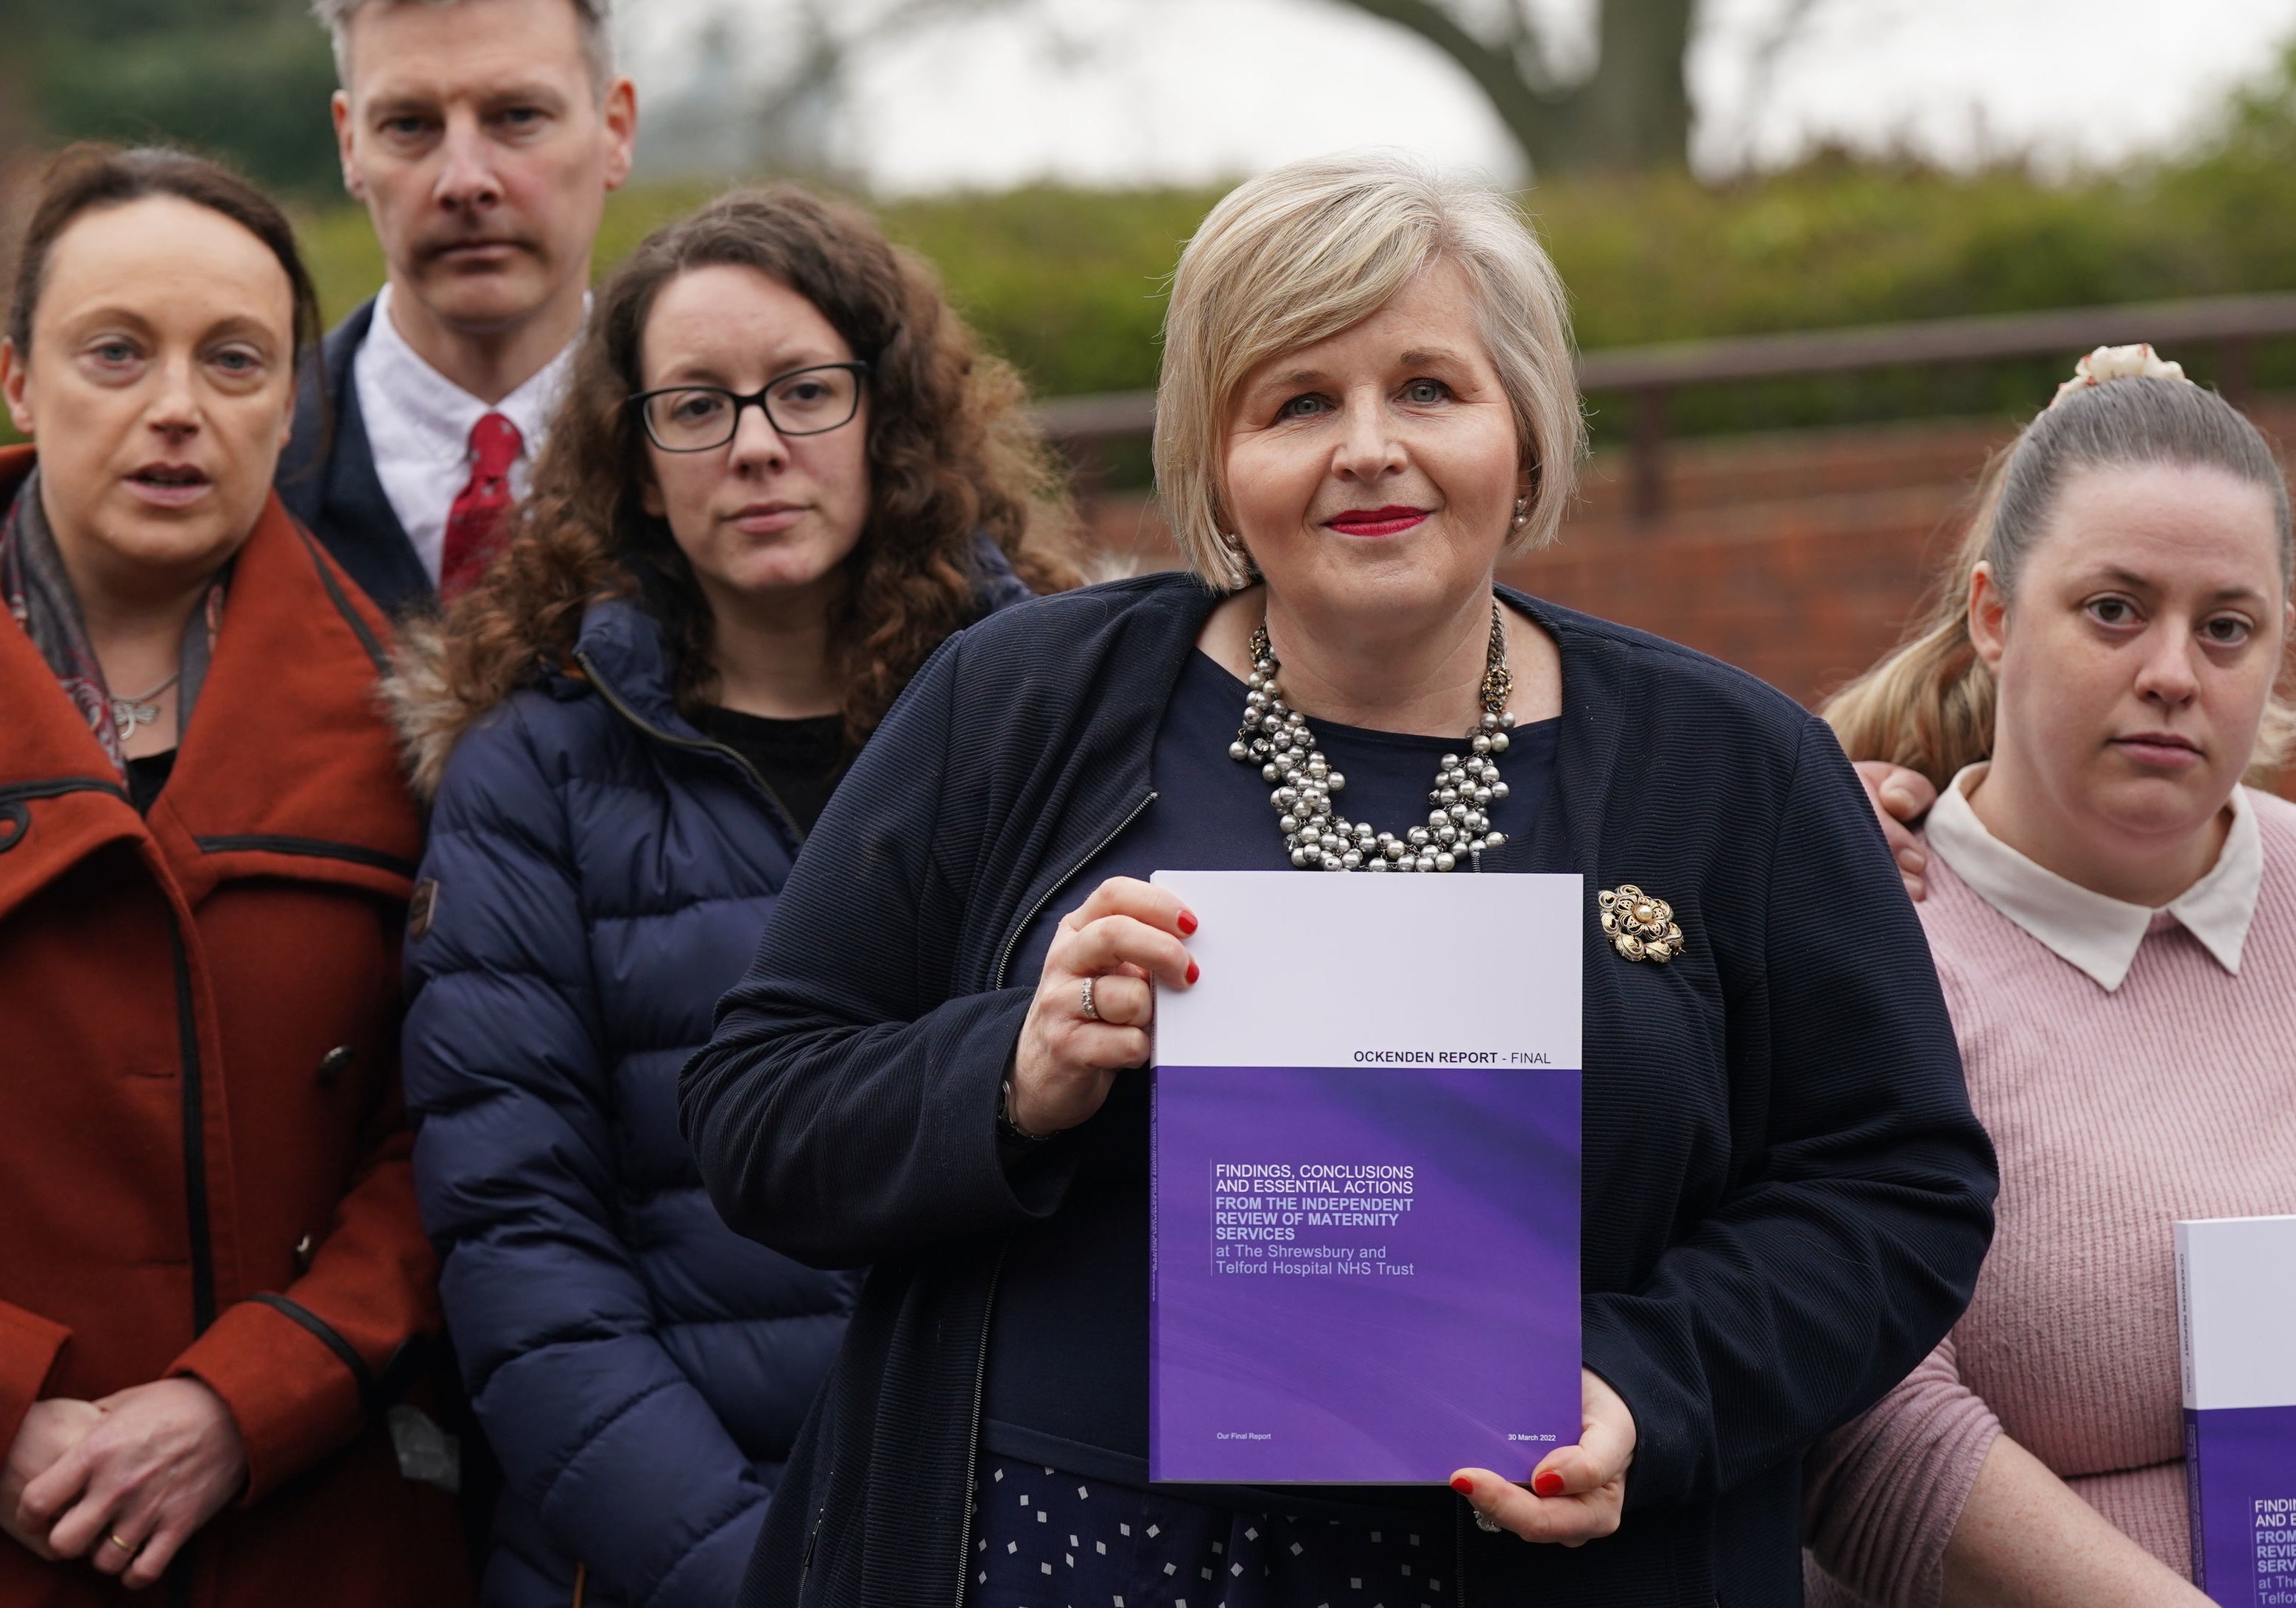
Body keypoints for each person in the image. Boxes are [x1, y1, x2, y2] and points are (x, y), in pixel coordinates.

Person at [678, 152, 1999, 1608]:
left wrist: (1641, 1382)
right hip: (1061, 1553)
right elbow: (756, 1107)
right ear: (1216, 460)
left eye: (1428, 388)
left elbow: (1894, 1185)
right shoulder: (1021, 703)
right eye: (1298, 401)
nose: (1368, 446)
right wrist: (1014, 1067)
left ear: (1524, 431)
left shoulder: (1732, 770)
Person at [396, 183, 1081, 1608]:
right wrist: (751, 1576)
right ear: (638, 464)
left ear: (887, 422)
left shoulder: (1058, 723)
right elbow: (521, 1244)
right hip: (663, 1562)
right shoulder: (537, 771)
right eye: (695, 407)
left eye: (803, 393)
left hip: (1016, 1536)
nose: (756, 446)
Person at [0, 147, 468, 1604]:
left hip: (305, 1524)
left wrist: (244, 1402)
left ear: (293, 402)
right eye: (116, 352)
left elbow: (462, 1128)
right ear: (18, 378)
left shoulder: (426, 723)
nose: (175, 409)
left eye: (235, 359)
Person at [1803, 347, 2296, 1608]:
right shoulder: (1872, 932)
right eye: (2114, 609)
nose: (2173, 673)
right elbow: (1862, 1423)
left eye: (2225, 627)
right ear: (1992, 617)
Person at [282, 0, 637, 617]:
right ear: (351, 145)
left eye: (517, 116)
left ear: (616, 130)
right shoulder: (242, 459)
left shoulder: (721, 460)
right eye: (411, 124)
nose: (465, 180)